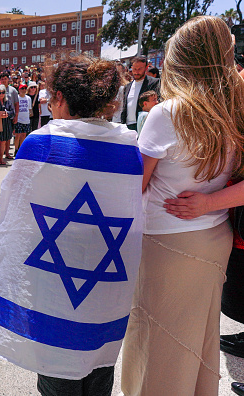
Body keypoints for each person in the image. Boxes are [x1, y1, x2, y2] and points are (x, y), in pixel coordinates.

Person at [0, 56, 142, 396]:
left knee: (57, 373)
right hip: (105, 279)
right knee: (99, 370)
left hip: (56, 280)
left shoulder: (43, 143)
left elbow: (14, 219)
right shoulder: (130, 148)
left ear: (58, 97)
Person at [120, 16, 244, 396]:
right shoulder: (236, 109)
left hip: (167, 241)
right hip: (215, 235)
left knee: (158, 337)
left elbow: (133, 187)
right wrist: (210, 202)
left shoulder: (168, 113)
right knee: (199, 333)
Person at [120, 55, 161, 130]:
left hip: (144, 125)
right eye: (134, 69)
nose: (136, 71)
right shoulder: (127, 86)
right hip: (127, 126)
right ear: (131, 68)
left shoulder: (154, 83)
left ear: (146, 68)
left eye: (140, 69)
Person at [15, 83, 31, 155]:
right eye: (22, 88)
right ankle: (16, 149)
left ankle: (21, 150)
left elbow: (29, 109)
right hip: (19, 119)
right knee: (18, 135)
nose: (24, 90)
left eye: (25, 88)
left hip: (26, 119)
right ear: (19, 90)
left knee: (24, 135)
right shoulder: (17, 98)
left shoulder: (28, 98)